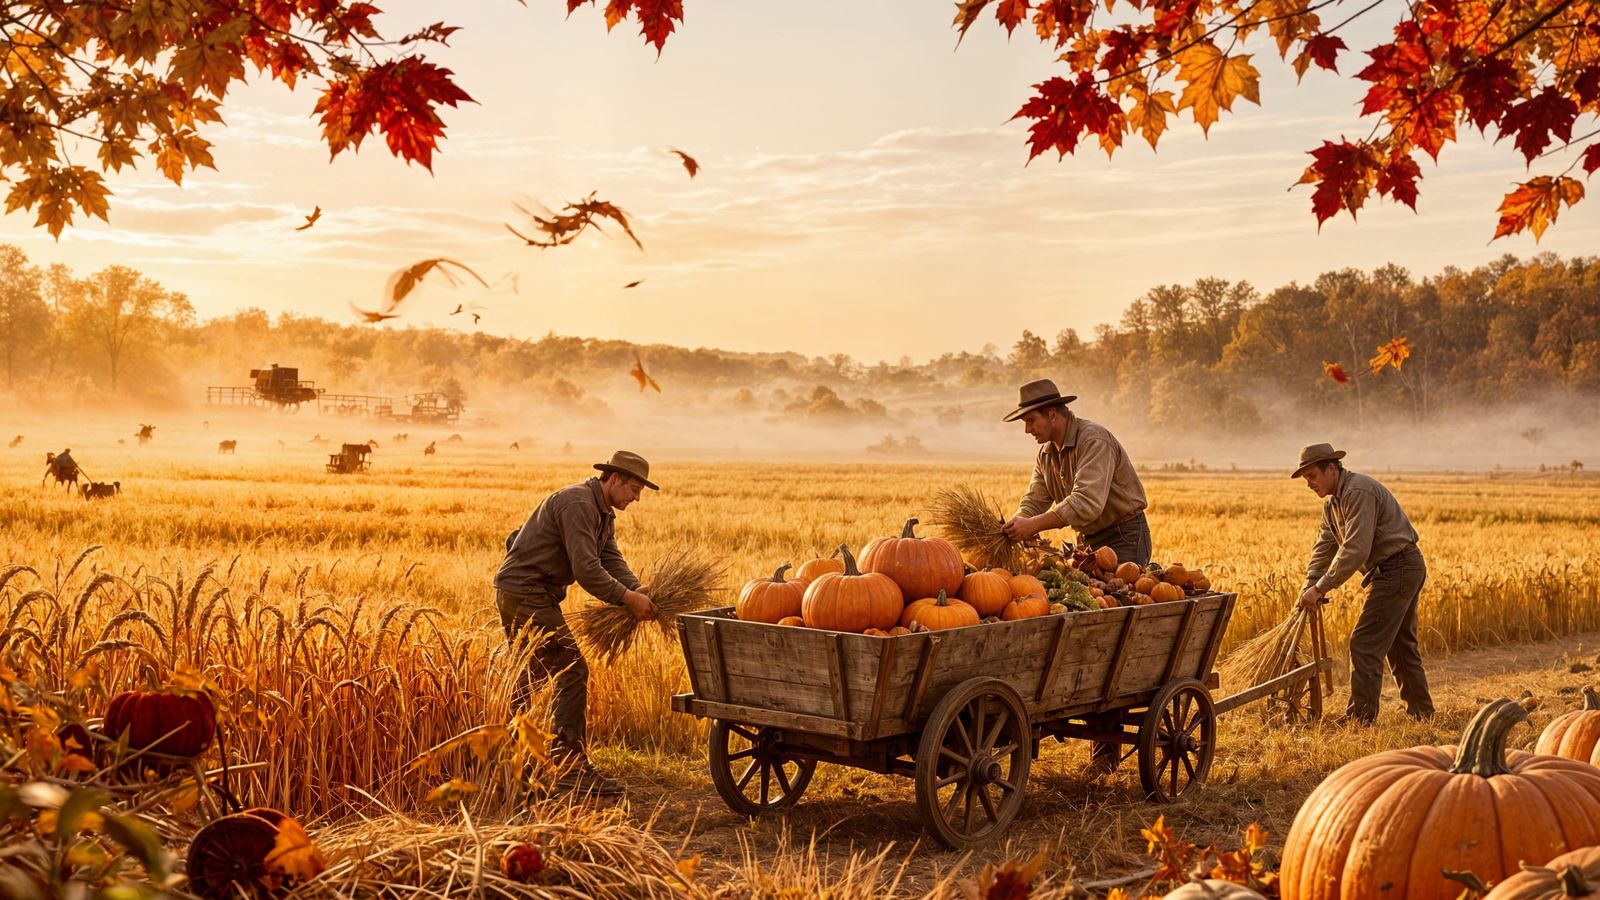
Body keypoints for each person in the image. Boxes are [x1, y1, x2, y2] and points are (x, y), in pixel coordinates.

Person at [494, 450, 660, 796]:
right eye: (633, 488)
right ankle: (570, 769)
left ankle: (509, 760)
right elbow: (587, 570)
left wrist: (636, 588)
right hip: (526, 593)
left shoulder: (602, 513)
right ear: (613, 479)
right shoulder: (578, 505)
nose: (636, 497)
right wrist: (628, 600)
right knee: (572, 670)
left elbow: (609, 557)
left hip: (533, 594)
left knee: (532, 676)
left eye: (640, 491)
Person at [1293, 442, 1433, 725]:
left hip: (1399, 568)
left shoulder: (1357, 492)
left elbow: (1356, 549)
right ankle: (1422, 713)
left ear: (1331, 469)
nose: (1309, 484)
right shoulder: (1333, 504)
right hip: (1395, 569)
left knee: (1364, 643)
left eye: (1312, 476)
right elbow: (1324, 547)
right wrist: (1309, 585)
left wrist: (1320, 588)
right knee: (1400, 646)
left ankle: (1360, 718)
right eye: (1306, 478)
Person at [1000, 379, 1151, 566]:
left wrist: (1032, 525)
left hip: (1123, 537)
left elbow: (1085, 502)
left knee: (1117, 592)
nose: (1027, 429)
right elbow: (1035, 499)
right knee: (1092, 595)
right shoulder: (1046, 454)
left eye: (1031, 420)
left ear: (1052, 415)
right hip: (1087, 540)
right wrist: (1016, 523)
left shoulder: (1094, 440)